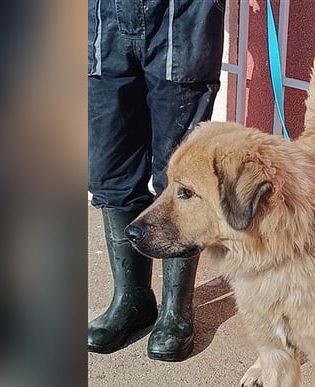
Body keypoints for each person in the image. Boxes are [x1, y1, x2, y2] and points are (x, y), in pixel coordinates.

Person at [87, 0, 225, 360]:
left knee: (179, 172)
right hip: (103, 15)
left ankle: (176, 310)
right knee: (110, 167)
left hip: (182, 16)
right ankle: (131, 299)